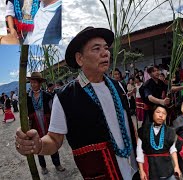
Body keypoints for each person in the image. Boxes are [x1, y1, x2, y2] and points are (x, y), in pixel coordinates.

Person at [15, 27, 139, 179]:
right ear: (80, 59)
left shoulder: (118, 85)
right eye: (96, 48)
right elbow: (54, 139)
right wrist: (37, 145)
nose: (105, 53)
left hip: (135, 171)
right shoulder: (65, 97)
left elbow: (128, 125)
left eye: (106, 48)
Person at [26, 72, 65, 174]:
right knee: (38, 144)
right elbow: (25, 112)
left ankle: (57, 164)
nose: (33, 84)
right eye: (31, 82)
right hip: (35, 123)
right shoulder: (27, 98)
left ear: (39, 83)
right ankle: (43, 166)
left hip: (47, 122)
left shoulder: (47, 96)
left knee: (53, 141)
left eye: (35, 82)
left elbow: (53, 109)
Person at [136, 105, 181, 179]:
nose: (161, 115)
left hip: (167, 168)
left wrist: (176, 166)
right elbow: (139, 151)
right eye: (158, 112)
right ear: (153, 114)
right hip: (151, 168)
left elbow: (173, 150)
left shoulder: (170, 131)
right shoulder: (144, 130)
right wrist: (141, 170)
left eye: (164, 113)